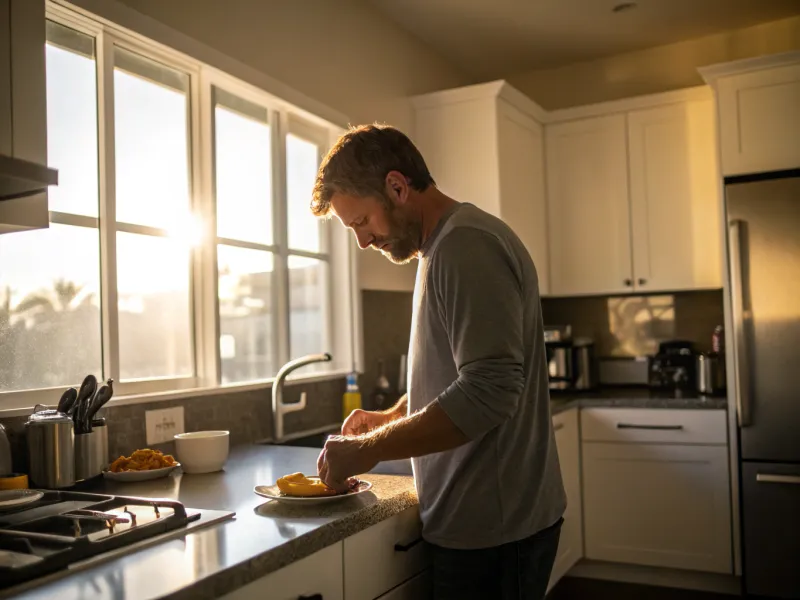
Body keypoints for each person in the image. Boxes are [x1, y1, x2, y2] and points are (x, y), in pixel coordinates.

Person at [311, 124, 566, 600]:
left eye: (362, 222)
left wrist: (370, 449)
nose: (363, 241)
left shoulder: (465, 246)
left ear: (397, 186)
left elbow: (488, 392)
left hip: (496, 529)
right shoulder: (441, 247)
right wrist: (388, 420)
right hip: (485, 524)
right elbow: (455, 376)